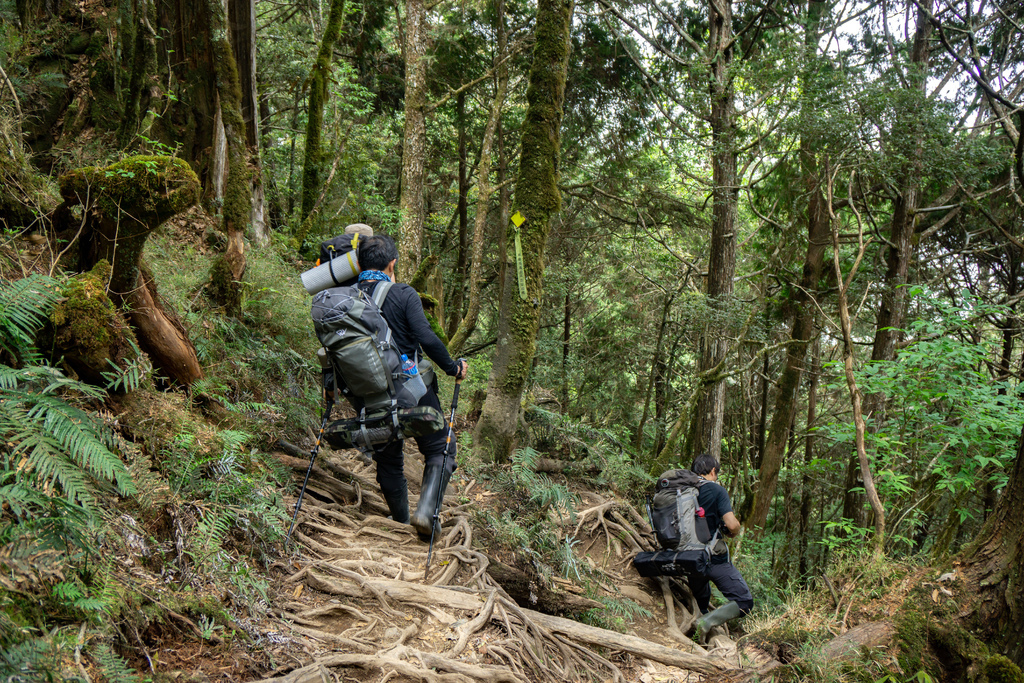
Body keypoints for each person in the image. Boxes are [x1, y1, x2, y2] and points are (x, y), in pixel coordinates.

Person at [354, 234, 468, 538]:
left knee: (388, 457)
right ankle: (425, 515)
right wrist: (453, 367)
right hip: (411, 391)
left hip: (367, 394)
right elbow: (427, 338)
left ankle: (401, 521)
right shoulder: (403, 293)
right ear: (392, 264)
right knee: (441, 446)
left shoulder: (344, 297)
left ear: (359, 264)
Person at [687, 452, 754, 640]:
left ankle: (698, 632)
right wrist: (736, 529)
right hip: (712, 558)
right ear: (713, 471)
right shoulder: (717, 490)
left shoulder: (682, 491)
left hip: (686, 558)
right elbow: (731, 525)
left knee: (701, 597)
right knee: (744, 602)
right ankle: (705, 622)